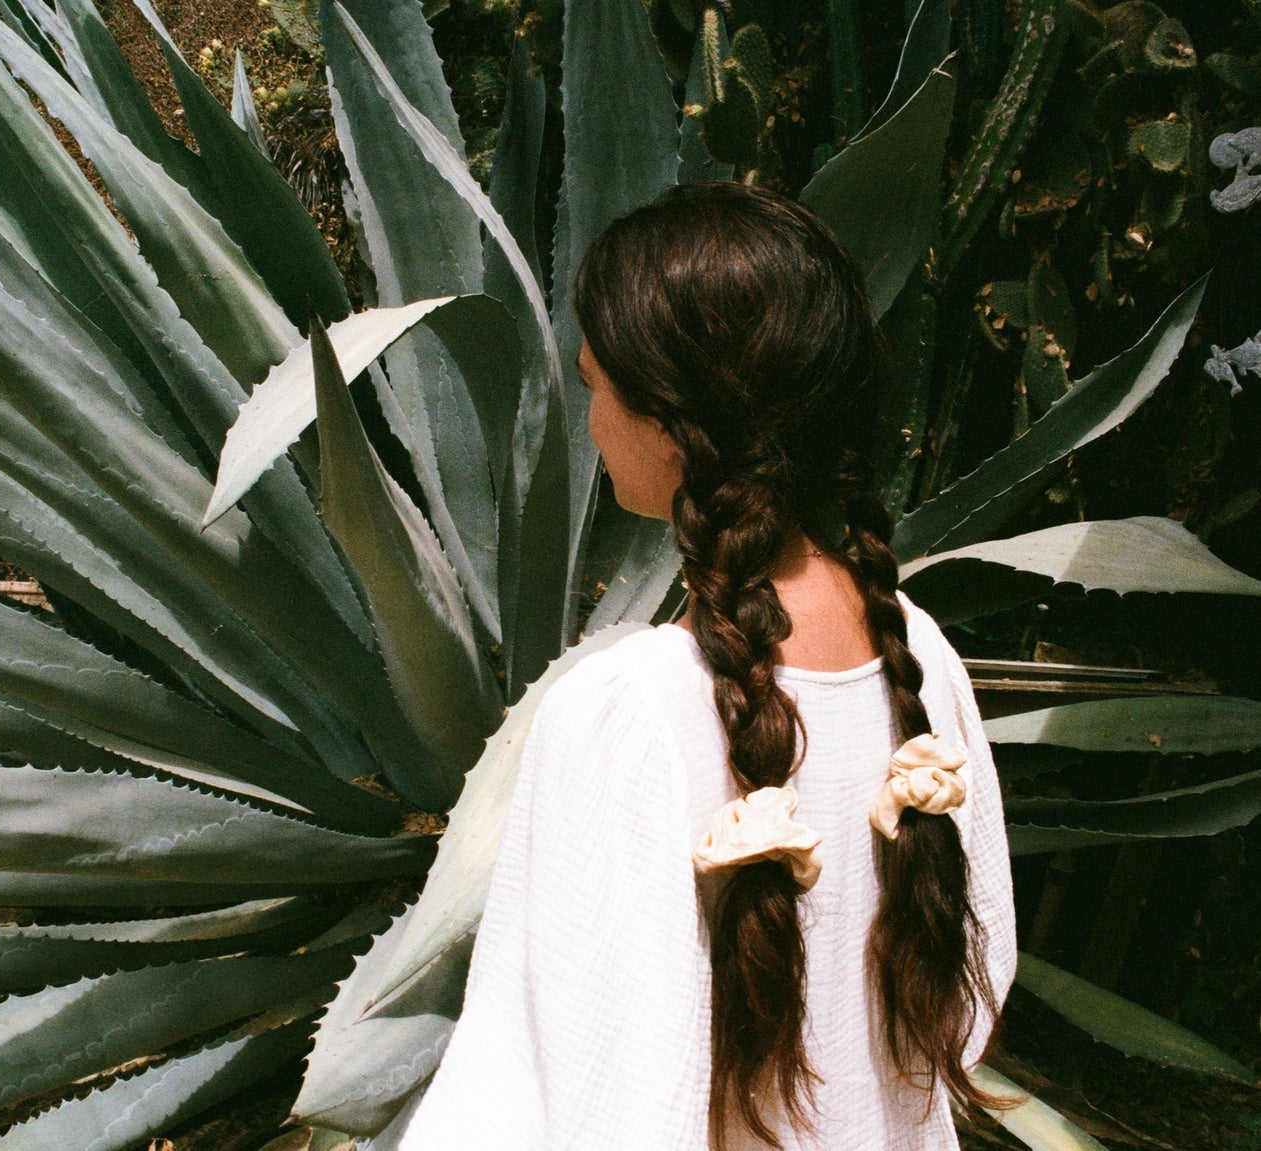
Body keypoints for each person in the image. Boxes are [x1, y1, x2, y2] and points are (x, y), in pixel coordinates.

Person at [398, 183, 1017, 1150]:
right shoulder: (921, 656)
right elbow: (971, 990)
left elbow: (566, 1080)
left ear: (673, 423)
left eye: (597, 382)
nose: (589, 419)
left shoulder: (623, 710)